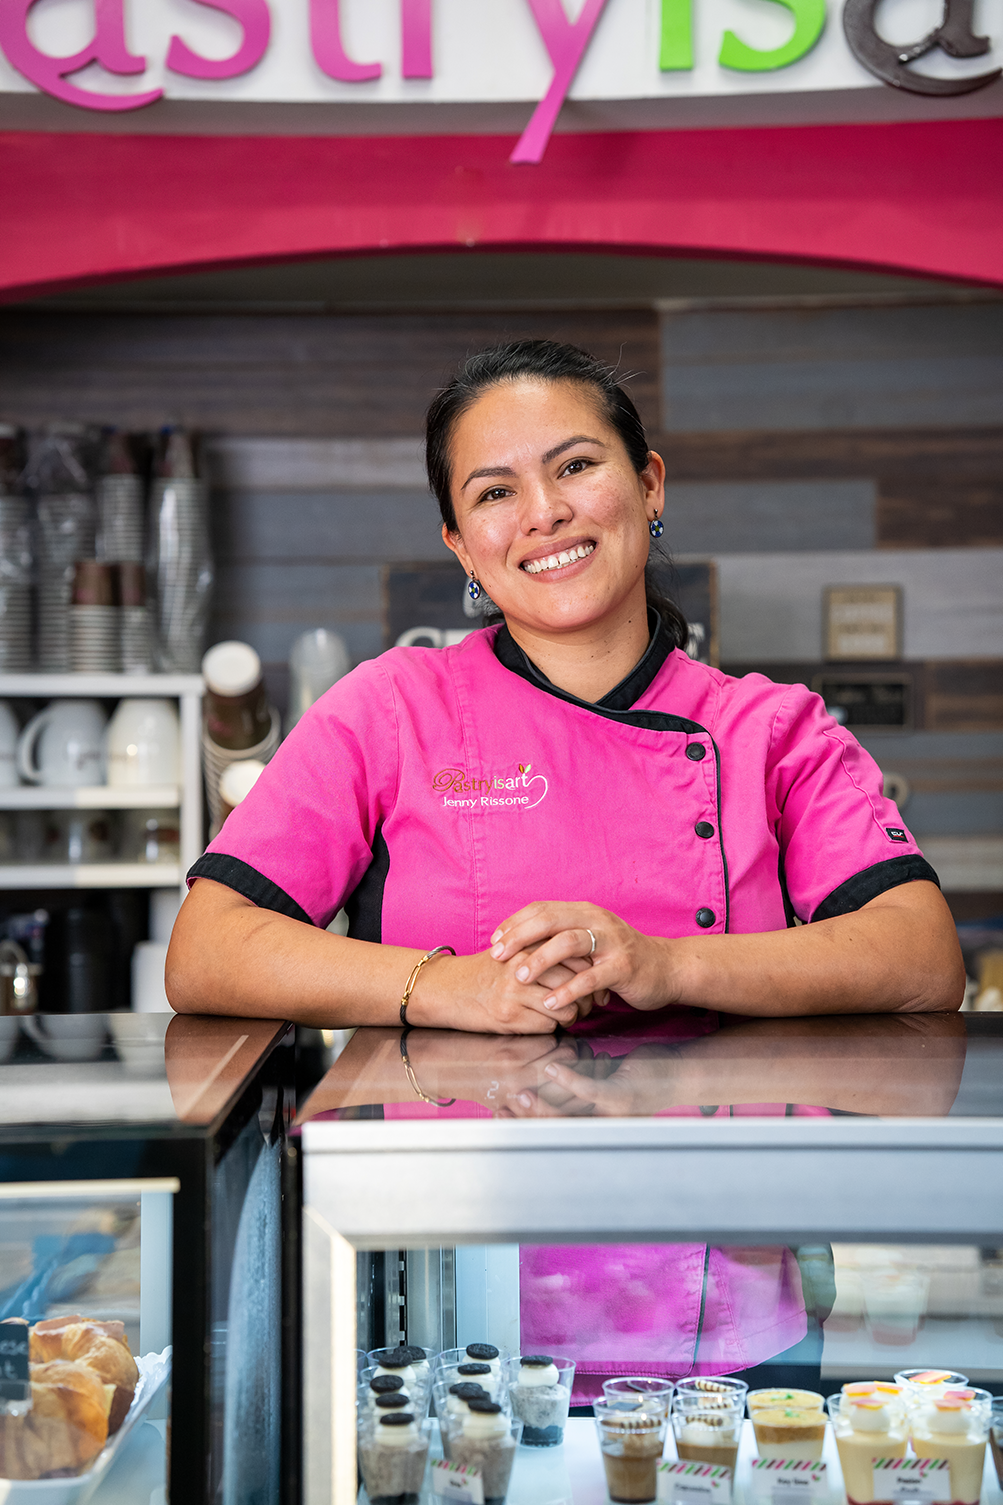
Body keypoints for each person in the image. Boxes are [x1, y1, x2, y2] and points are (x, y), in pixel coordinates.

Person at [167, 340, 963, 1028]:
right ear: (462, 546)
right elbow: (207, 949)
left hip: (720, 1170)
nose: (543, 513)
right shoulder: (388, 709)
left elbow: (920, 956)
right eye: (494, 493)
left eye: (575, 465)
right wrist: (449, 985)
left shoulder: (773, 728)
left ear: (649, 485)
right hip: (451, 1176)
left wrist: (668, 967)